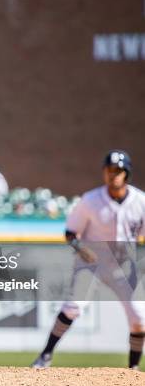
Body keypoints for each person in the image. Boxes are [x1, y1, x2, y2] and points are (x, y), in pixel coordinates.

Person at [31, 150, 145, 370]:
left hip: (124, 266)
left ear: (127, 173)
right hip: (92, 263)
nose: (113, 175)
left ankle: (132, 371)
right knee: (73, 307)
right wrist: (80, 250)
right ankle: (45, 355)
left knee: (139, 318)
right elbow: (70, 233)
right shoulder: (91, 200)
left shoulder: (140, 201)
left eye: (118, 170)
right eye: (109, 170)